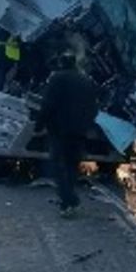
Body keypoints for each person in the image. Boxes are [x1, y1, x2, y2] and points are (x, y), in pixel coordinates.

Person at [36, 51, 100, 218]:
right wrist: (87, 125)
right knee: (72, 165)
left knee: (58, 165)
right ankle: (70, 197)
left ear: (61, 64)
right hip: (79, 131)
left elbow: (48, 104)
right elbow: (94, 108)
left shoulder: (57, 79)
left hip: (59, 130)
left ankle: (68, 200)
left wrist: (39, 124)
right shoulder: (86, 80)